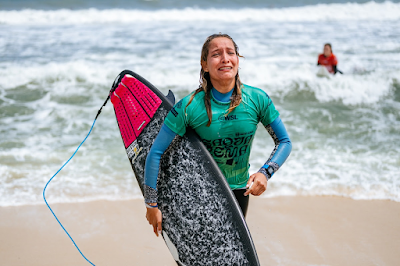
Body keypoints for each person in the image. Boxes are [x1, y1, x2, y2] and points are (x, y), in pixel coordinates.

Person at [144, 33, 292, 236]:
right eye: (216, 54)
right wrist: (151, 205)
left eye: (230, 52)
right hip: (196, 194)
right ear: (204, 64)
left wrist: (265, 173)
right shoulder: (188, 107)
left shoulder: (257, 99)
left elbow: (284, 141)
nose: (225, 58)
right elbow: (156, 152)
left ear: (238, 60)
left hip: (238, 193)